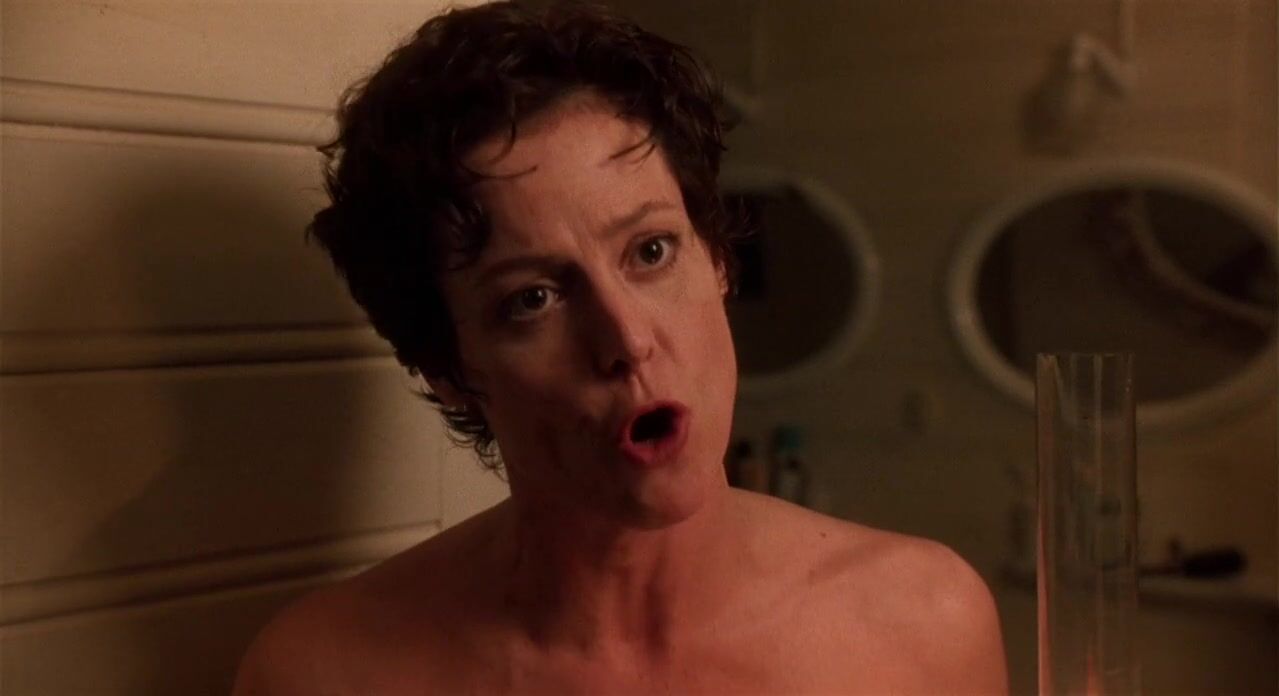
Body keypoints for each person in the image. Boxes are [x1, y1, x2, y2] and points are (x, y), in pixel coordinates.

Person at [232, 2, 1008, 694]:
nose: (627, 340)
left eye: (650, 252)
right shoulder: (326, 671)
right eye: (531, 299)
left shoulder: (919, 621)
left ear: (718, 261)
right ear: (449, 371)